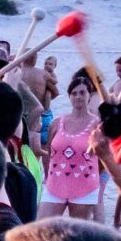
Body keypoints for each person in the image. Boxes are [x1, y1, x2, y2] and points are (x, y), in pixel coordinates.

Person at [41, 71, 104, 220]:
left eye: (82, 93)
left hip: (84, 185)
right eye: (74, 93)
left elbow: (104, 158)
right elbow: (48, 151)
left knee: (76, 229)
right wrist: (48, 176)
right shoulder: (57, 123)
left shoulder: (97, 125)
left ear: (89, 95)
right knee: (43, 226)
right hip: (55, 183)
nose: (78, 97)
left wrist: (92, 174)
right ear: (69, 96)